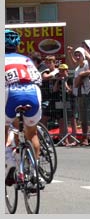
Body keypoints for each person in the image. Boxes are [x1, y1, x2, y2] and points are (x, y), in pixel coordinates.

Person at [5, 29, 45, 188]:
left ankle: (8, 158)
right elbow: (39, 79)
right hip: (32, 92)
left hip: (10, 93)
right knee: (32, 133)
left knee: (4, 126)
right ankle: (35, 172)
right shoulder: (27, 60)